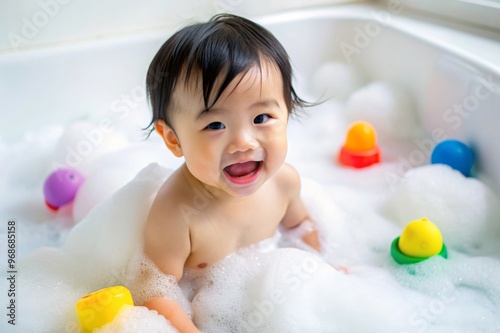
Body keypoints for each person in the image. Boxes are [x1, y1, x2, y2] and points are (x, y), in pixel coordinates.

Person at [142, 13, 320, 332]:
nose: (243, 142)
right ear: (172, 139)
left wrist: (325, 270)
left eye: (262, 117)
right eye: (215, 125)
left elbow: (301, 228)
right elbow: (155, 292)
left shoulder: (285, 183)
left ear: (287, 112)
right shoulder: (176, 214)